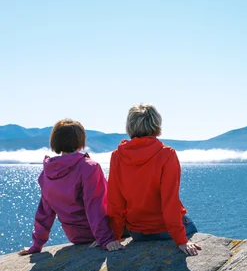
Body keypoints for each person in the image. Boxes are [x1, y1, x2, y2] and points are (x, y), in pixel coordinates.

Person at [19, 119, 123, 255]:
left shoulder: (47, 172)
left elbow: (45, 212)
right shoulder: (89, 167)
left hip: (76, 237)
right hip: (100, 232)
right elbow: (95, 206)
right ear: (80, 141)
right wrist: (106, 239)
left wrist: (37, 244)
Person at [107, 103, 201, 256]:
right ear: (156, 124)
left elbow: (115, 200)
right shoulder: (167, 154)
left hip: (137, 233)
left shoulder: (117, 156)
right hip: (165, 231)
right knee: (190, 224)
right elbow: (170, 201)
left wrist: (114, 237)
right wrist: (181, 240)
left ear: (130, 126)